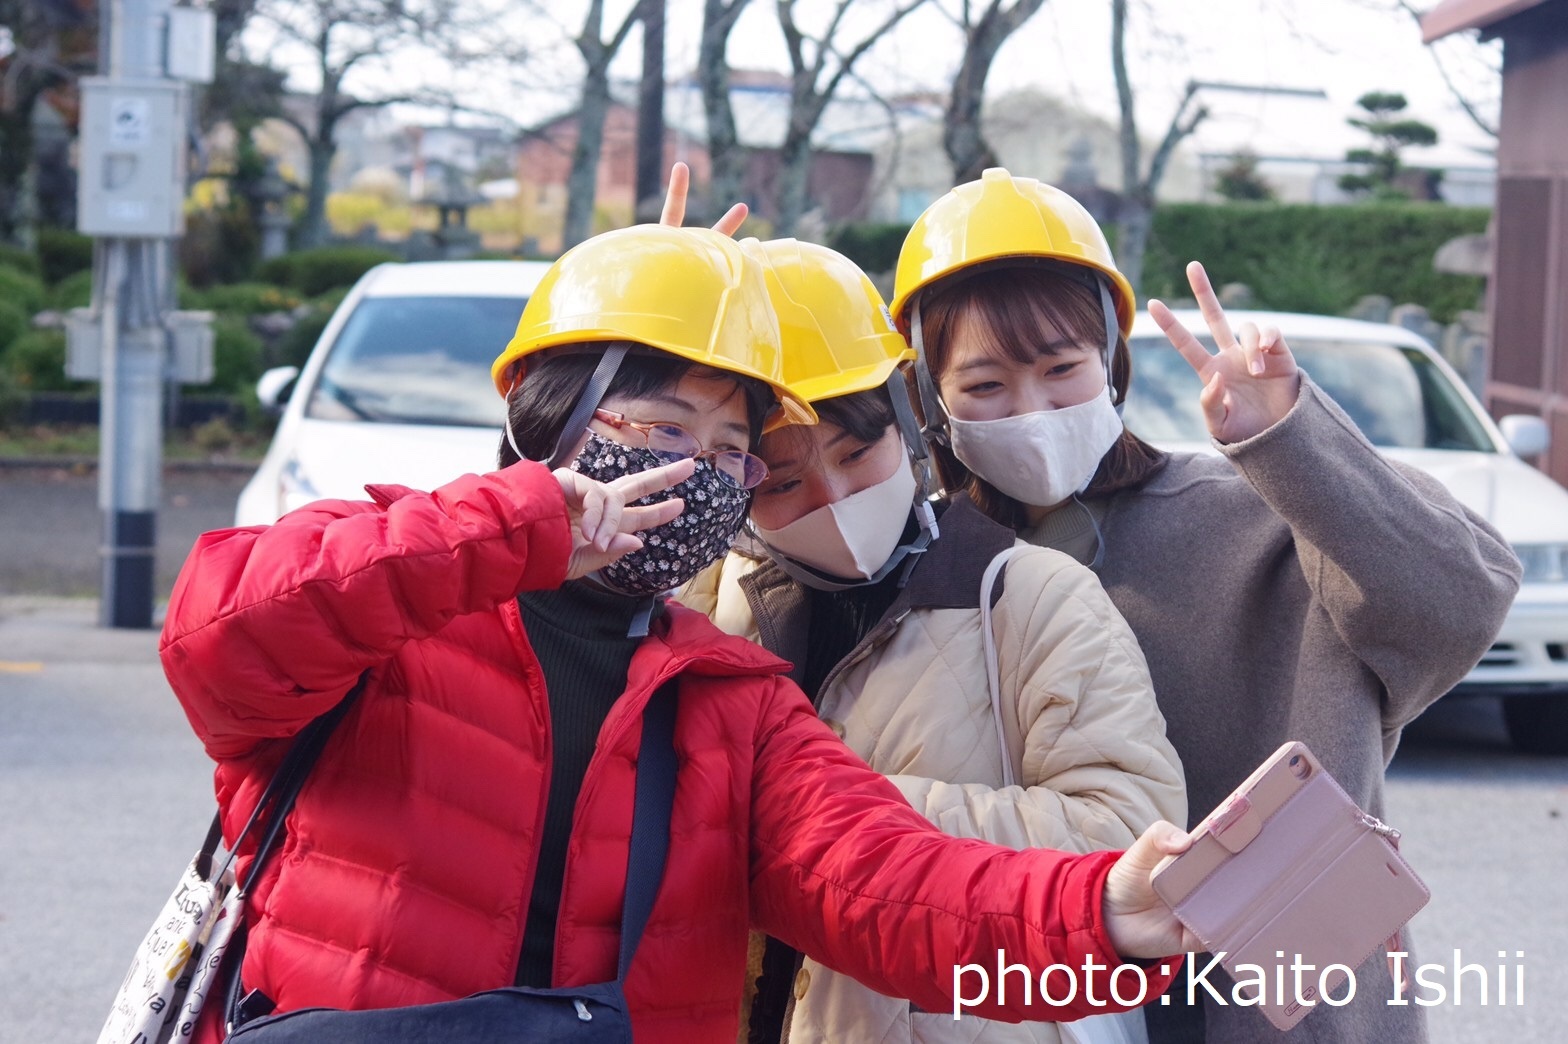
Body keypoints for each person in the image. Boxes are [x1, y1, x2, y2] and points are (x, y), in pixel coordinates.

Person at [160, 222, 1197, 1044]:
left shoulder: (725, 700)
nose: (695, 473)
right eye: (662, 430)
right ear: (545, 417)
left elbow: (892, 883)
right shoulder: (396, 597)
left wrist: (1101, 910)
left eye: (729, 451)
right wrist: (514, 524)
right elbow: (223, 637)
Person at [888, 168, 1522, 1044]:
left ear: (1112, 361)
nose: (1031, 410)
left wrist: (1291, 438)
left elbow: (1464, 600)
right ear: (926, 397)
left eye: (1061, 369)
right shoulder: (916, 566)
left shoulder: (1265, 516)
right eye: (986, 386)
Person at [680, 237, 1186, 1044]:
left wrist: (829, 812)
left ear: (912, 428)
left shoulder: (1032, 596)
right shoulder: (707, 604)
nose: (836, 497)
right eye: (783, 483)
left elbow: (1129, 833)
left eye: (859, 453)